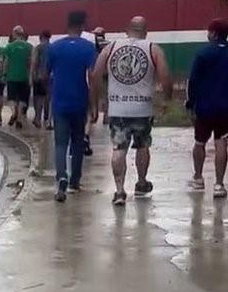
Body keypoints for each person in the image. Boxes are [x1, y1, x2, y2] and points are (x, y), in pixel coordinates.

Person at [92, 17, 173, 206]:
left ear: (127, 29)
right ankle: (141, 182)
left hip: (118, 109)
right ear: (145, 30)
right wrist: (166, 100)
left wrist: (100, 100)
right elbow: (166, 78)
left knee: (119, 149)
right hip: (142, 109)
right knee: (142, 146)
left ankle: (119, 191)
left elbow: (95, 75)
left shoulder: (110, 48)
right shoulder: (153, 48)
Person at [186, 18, 228, 199]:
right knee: (221, 143)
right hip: (227, 108)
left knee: (199, 142)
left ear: (213, 33)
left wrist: (191, 103)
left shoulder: (202, 54)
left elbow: (193, 81)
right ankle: (219, 185)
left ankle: (198, 179)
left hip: (204, 108)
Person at [48, 11, 98, 202]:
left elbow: (46, 74)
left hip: (60, 101)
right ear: (82, 25)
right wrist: (95, 105)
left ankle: (61, 177)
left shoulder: (55, 47)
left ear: (67, 24)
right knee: (77, 142)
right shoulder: (88, 48)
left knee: (60, 143)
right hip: (79, 101)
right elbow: (93, 77)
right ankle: (75, 181)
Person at [4, 25, 33, 128]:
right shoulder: (29, 47)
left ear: (14, 33)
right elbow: (30, 63)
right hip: (24, 77)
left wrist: (5, 73)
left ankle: (13, 112)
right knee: (22, 98)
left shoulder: (9, 47)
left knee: (11, 98)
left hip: (12, 76)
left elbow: (6, 62)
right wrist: (30, 76)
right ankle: (19, 117)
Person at [31, 31, 52, 129]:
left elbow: (34, 61)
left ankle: (37, 118)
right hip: (50, 76)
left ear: (41, 37)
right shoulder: (53, 48)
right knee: (48, 98)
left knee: (38, 98)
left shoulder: (38, 48)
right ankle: (47, 119)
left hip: (39, 76)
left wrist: (33, 75)